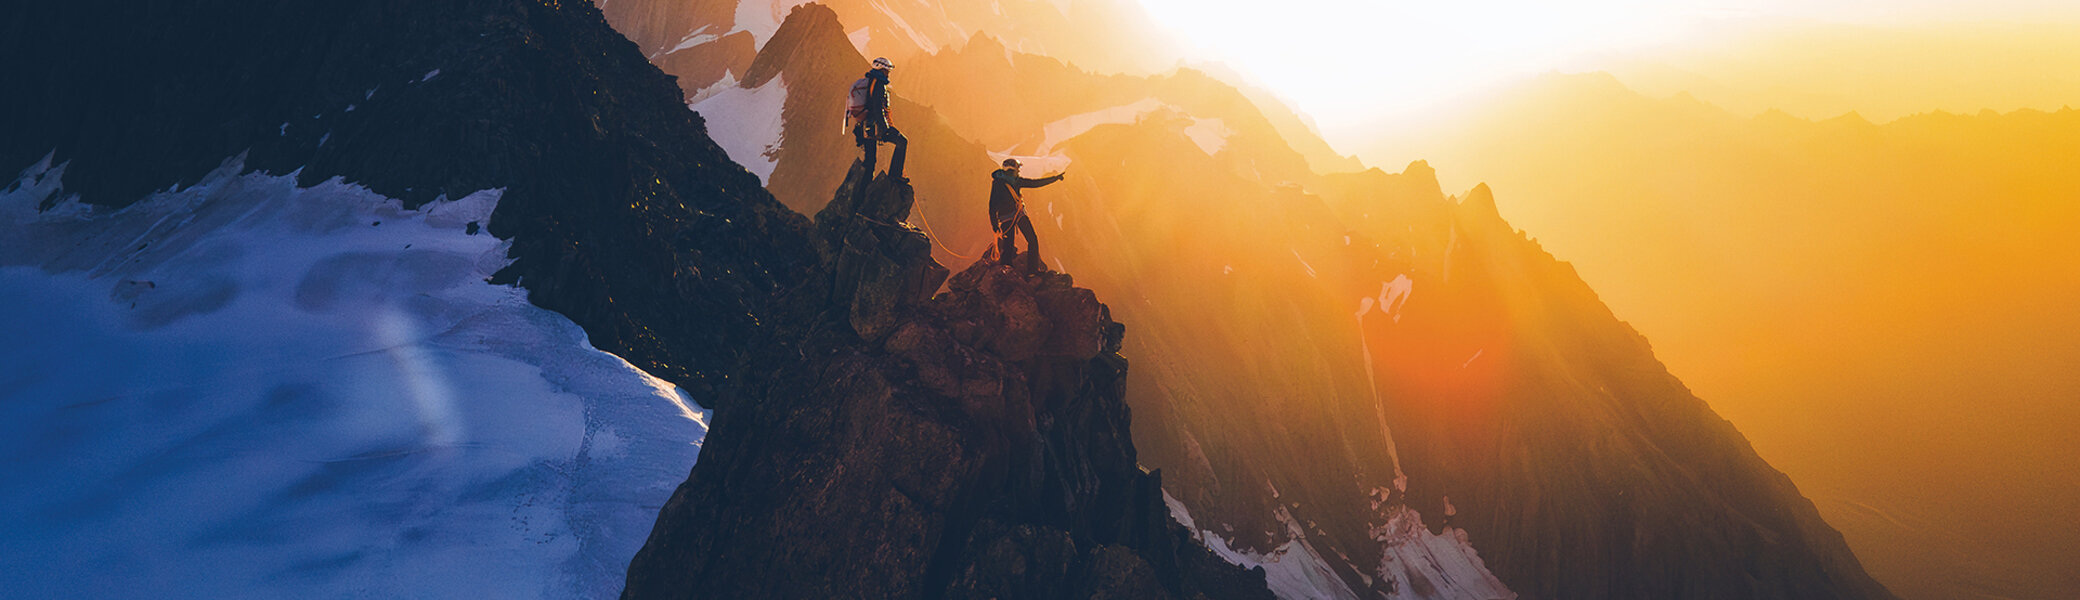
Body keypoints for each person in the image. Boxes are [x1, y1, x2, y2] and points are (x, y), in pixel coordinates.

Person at [989, 158, 1065, 273]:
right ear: (1012, 169)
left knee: (1008, 244)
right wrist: (1055, 178)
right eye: (1017, 169)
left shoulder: (998, 183)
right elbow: (1035, 183)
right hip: (1019, 214)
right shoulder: (1016, 181)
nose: (1018, 171)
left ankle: (1006, 270)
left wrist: (995, 224)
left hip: (1006, 218)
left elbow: (992, 205)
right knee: (1032, 240)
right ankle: (1032, 271)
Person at [851, 57, 908, 179]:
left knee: (870, 161)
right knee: (902, 142)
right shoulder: (879, 85)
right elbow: (878, 109)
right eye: (887, 71)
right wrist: (884, 129)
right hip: (875, 127)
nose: (888, 74)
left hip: (866, 128)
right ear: (881, 70)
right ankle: (895, 176)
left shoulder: (870, 81)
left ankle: (861, 192)